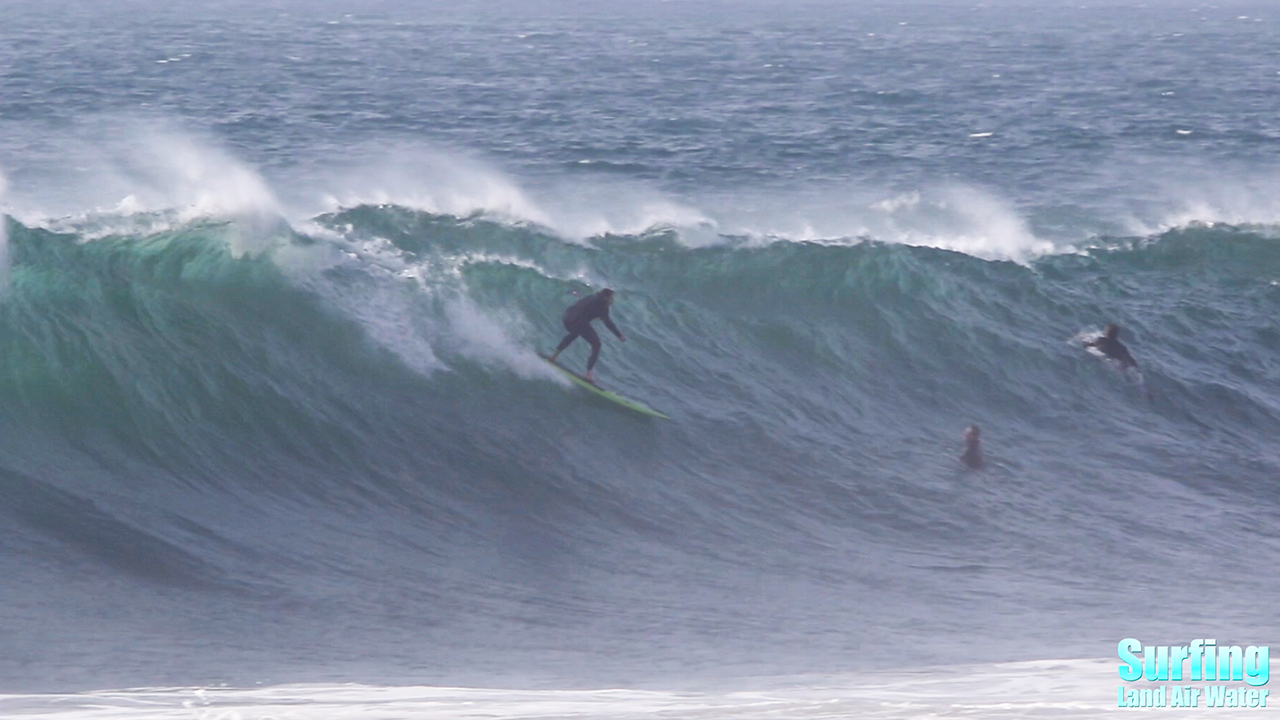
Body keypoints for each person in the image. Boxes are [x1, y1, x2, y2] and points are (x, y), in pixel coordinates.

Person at [549, 288, 626, 383]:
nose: (612, 301)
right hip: (578, 320)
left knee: (574, 333)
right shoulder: (602, 304)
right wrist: (619, 335)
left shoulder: (591, 297)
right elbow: (608, 322)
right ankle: (588, 373)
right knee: (596, 344)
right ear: (606, 297)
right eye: (611, 299)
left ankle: (553, 356)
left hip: (567, 316)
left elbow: (582, 303)